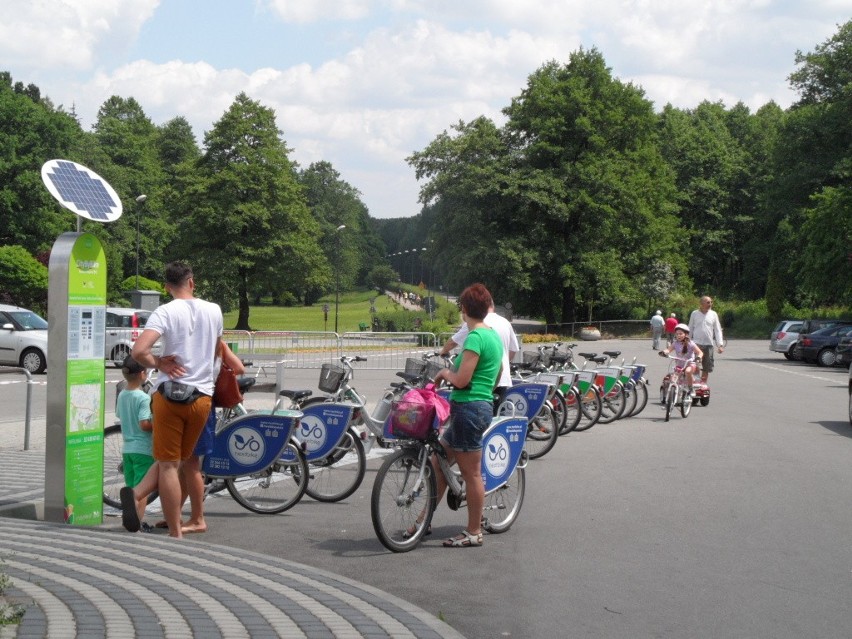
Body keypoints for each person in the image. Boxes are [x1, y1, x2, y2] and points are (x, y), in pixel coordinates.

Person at [121, 261, 223, 539]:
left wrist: (159, 363)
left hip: (169, 397)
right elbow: (216, 351)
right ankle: (140, 493)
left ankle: (175, 531)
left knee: (168, 464)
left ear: (167, 287)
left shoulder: (165, 311)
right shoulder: (214, 311)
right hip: (202, 398)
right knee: (182, 459)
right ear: (192, 282)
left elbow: (139, 350)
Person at [430, 283, 503, 548]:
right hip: (480, 405)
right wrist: (482, 391)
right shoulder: (493, 335)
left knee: (471, 473)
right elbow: (495, 376)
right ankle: (423, 520)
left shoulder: (474, 338)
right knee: (437, 463)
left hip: (468, 409)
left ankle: (473, 531)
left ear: (464, 309)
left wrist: (443, 374)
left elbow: (460, 380)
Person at [439, 297, 519, 397]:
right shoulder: (505, 322)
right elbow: (513, 349)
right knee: (497, 411)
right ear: (493, 306)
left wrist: (443, 351)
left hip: (479, 384)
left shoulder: (476, 323)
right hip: (503, 379)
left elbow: (453, 341)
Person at [115, 354, 156, 532]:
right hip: (143, 449)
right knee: (141, 491)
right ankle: (137, 523)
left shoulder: (123, 394)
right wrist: (158, 423)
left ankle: (129, 517)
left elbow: (119, 416)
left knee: (131, 486)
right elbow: (144, 424)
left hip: (127, 449)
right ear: (142, 374)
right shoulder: (143, 398)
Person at [687, 296, 724, 384]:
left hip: (708, 344)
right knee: (695, 364)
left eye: (711, 302)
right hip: (696, 344)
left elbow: (717, 329)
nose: (710, 304)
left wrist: (720, 345)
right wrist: (687, 341)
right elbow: (690, 327)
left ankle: (703, 384)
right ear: (701, 304)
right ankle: (695, 383)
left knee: (707, 366)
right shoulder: (694, 313)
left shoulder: (713, 314)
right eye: (708, 302)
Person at [658, 323, 703, 394]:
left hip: (690, 364)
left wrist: (698, 358)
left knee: (688, 372)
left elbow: (700, 352)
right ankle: (673, 393)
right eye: (677, 334)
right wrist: (664, 352)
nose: (678, 335)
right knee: (673, 379)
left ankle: (691, 388)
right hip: (679, 365)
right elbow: (668, 350)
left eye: (680, 334)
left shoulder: (691, 343)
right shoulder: (675, 343)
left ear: (686, 334)